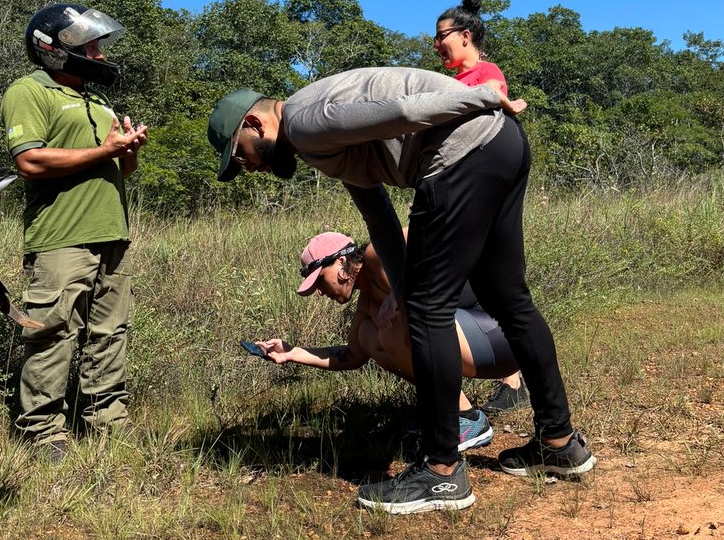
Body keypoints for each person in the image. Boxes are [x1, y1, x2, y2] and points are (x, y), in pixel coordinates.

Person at [208, 67, 594, 516]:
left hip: (462, 149)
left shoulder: (302, 122)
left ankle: (442, 472)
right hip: (500, 144)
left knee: (430, 311)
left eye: (240, 156)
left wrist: (482, 97)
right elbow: (378, 217)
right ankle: (559, 443)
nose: (248, 168)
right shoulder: (319, 137)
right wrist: (407, 289)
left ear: (255, 125)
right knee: (507, 298)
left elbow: (402, 111)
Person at [0, 3, 147, 460]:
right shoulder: (30, 91)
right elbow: (29, 161)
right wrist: (106, 150)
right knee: (53, 331)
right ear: (55, 49)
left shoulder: (99, 101)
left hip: (111, 234)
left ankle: (107, 419)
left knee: (109, 331)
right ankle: (43, 432)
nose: (98, 53)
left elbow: (125, 168)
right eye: (89, 44)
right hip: (61, 236)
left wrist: (127, 150)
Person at [257, 231, 523, 452]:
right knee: (368, 335)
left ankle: (466, 419)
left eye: (319, 281)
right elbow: (352, 356)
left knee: (393, 323)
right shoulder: (367, 303)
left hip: (499, 334)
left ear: (340, 263)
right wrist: (292, 352)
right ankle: (442, 412)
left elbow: (429, 233)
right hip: (472, 346)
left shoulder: (377, 254)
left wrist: (399, 293)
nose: (320, 292)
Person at [433, 0, 529, 414]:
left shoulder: (485, 71)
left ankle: (512, 376)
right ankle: (505, 374)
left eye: (441, 37)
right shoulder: (451, 83)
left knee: (490, 281)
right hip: (458, 185)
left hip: (484, 188)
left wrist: (506, 101)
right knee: (476, 280)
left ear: (465, 35)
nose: (437, 45)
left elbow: (493, 94)